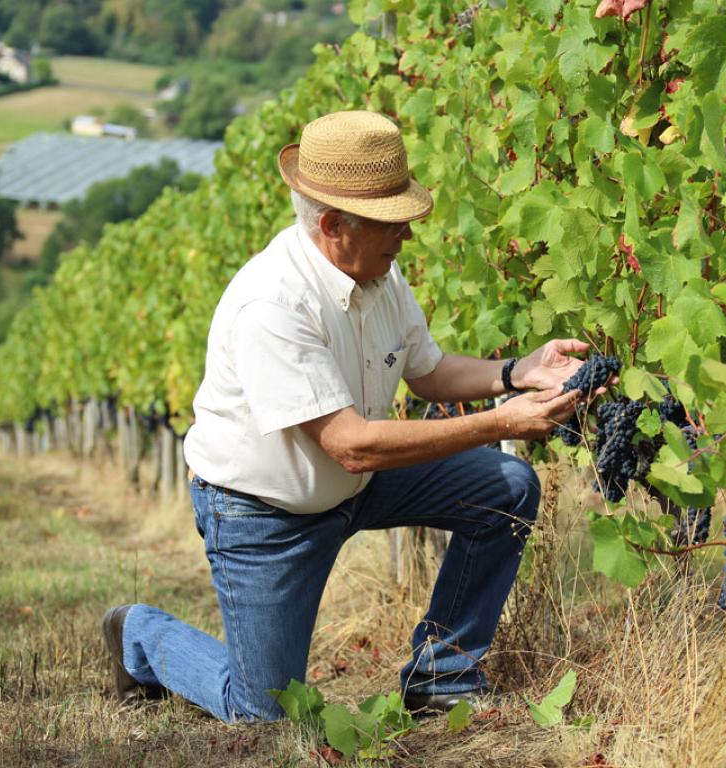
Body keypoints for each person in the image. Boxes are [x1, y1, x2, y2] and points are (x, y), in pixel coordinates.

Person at [102, 110, 596, 723]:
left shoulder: (379, 273)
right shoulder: (272, 304)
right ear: (334, 225)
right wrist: (501, 423)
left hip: (357, 485)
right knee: (265, 715)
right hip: (264, 510)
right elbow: (351, 444)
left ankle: (442, 673)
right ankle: (139, 634)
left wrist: (517, 372)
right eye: (393, 224)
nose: (407, 237)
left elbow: (428, 371)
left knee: (505, 487)